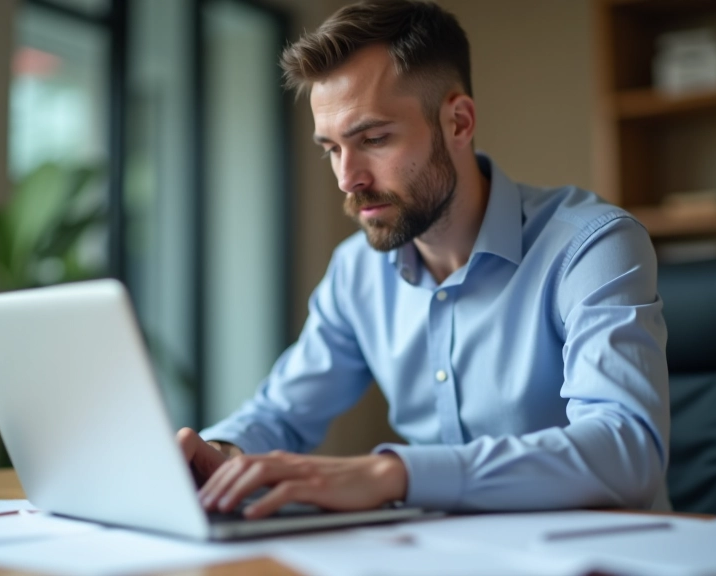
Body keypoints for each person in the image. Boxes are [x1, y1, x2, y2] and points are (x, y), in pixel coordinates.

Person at [177, 0, 670, 519]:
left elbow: (628, 453)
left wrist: (395, 474)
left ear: (458, 122)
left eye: (373, 139)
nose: (348, 178)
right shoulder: (356, 273)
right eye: (331, 149)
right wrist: (222, 456)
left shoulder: (591, 245)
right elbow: (280, 413)